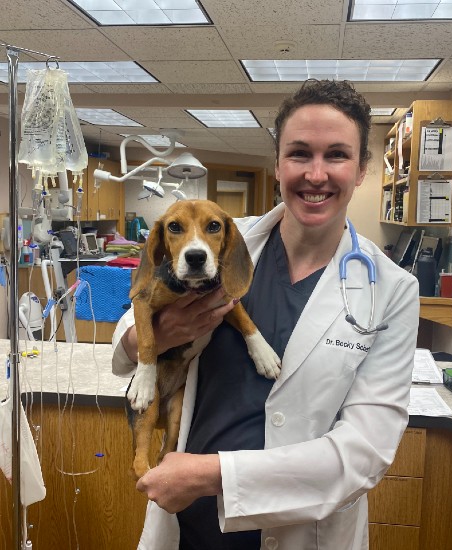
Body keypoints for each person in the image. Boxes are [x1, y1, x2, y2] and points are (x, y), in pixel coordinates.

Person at [112, 79, 419, 550]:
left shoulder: (393, 291)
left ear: (361, 170)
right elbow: (138, 311)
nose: (316, 174)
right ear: (277, 165)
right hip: (189, 528)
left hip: (302, 533)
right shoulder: (223, 242)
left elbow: (365, 453)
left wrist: (212, 474)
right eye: (299, 153)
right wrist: (149, 339)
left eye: (336, 154)